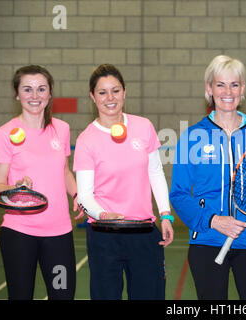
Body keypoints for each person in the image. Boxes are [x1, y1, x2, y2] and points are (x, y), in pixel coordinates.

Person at [169, 55, 246, 300]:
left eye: (234, 84)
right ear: (209, 88)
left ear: (242, 88)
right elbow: (179, 193)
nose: (228, 91)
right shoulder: (193, 136)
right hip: (207, 240)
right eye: (220, 84)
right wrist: (214, 220)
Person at [73, 64, 174, 300]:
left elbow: (155, 173)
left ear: (125, 92)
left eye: (115, 90)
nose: (110, 98)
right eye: (102, 92)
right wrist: (103, 214)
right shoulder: (86, 140)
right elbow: (85, 196)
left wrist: (166, 214)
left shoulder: (143, 126)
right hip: (103, 235)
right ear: (92, 96)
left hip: (143, 231)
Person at [0, 65, 78, 300]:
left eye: (41, 89)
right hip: (19, 233)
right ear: (17, 94)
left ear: (50, 94)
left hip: (59, 233)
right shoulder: (4, 133)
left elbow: (65, 172)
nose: (35, 96)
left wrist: (78, 196)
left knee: (63, 295)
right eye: (27, 89)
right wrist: (15, 188)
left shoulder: (61, 129)